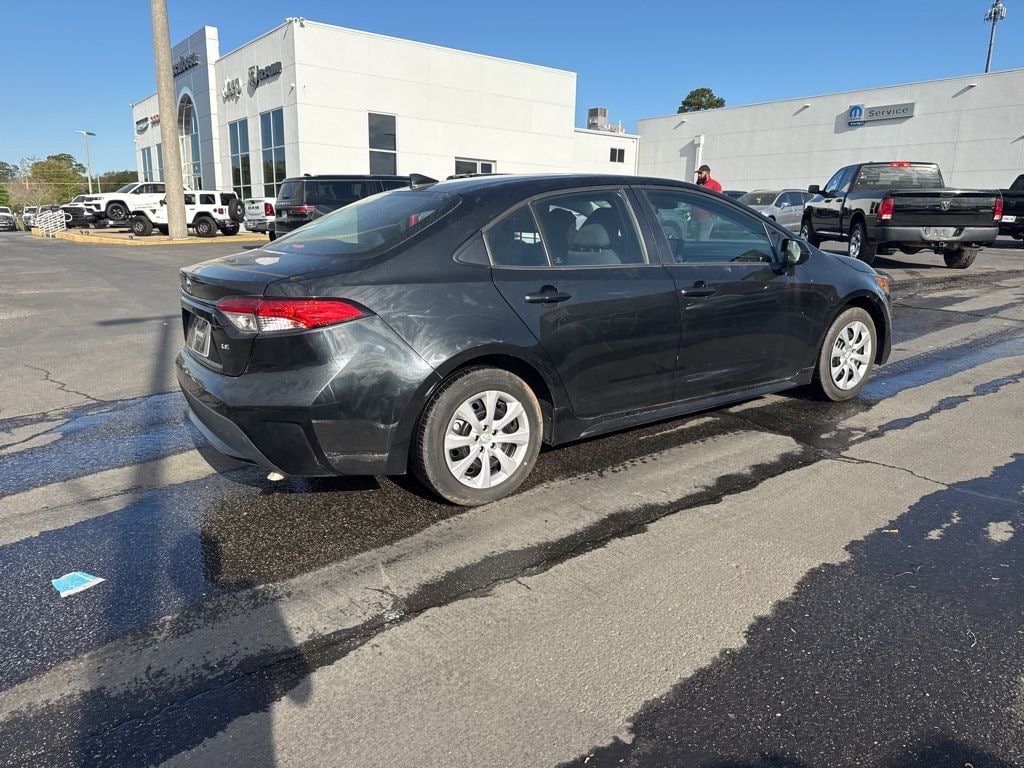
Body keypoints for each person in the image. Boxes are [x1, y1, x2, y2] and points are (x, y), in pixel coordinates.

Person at [693, 164, 722, 240]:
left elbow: (718, 201)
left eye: (701, 173)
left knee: (702, 240)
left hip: (707, 218)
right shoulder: (699, 185)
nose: (699, 175)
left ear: (707, 174)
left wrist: (712, 216)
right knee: (696, 240)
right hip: (697, 218)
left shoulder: (715, 185)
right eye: (698, 173)